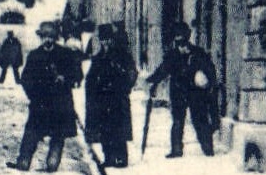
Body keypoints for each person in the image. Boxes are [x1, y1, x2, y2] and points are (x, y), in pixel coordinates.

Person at [9, 18, 84, 172]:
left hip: (60, 104)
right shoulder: (34, 56)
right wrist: (33, 94)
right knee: (31, 133)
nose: (48, 40)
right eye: (45, 37)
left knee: (58, 135)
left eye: (51, 37)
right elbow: (25, 79)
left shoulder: (66, 54)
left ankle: (53, 161)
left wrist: (66, 78)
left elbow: (77, 75)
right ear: (41, 37)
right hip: (40, 103)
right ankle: (23, 161)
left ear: (55, 38)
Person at [147, 22, 220, 158]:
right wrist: (152, 81)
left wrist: (206, 80)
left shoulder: (198, 53)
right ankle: (176, 149)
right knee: (177, 121)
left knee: (199, 119)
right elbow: (163, 70)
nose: (181, 44)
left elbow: (209, 69)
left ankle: (207, 148)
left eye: (182, 39)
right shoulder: (172, 55)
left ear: (187, 37)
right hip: (178, 92)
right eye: (178, 39)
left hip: (195, 93)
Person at [84, 23, 138, 167]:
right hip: (102, 100)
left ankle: (121, 158)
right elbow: (90, 79)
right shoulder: (98, 58)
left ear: (113, 40)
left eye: (108, 39)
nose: (106, 42)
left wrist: (125, 88)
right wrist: (92, 95)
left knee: (118, 129)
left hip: (117, 99)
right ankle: (108, 157)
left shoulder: (123, 56)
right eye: (103, 40)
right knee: (104, 130)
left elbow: (132, 73)